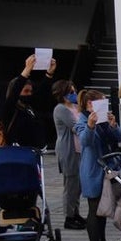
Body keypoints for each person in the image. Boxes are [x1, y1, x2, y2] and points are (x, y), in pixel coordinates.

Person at [74, 89, 121, 241]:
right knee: (95, 210)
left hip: (105, 169)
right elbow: (85, 142)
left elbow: (119, 138)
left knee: (102, 210)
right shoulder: (82, 121)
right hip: (92, 171)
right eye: (101, 103)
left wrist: (113, 125)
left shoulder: (102, 121)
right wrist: (90, 125)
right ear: (90, 105)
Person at [51, 80, 86, 231]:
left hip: (79, 149)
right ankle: (69, 216)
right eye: (70, 93)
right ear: (62, 94)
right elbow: (76, 126)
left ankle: (75, 213)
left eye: (74, 91)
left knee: (77, 185)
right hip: (68, 150)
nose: (74, 95)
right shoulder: (61, 109)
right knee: (70, 184)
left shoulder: (75, 107)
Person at [1, 54, 54, 149]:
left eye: (30, 91)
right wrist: (27, 69)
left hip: (34, 153)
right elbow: (15, 91)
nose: (29, 94)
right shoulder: (10, 108)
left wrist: (49, 74)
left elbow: (41, 92)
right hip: (17, 153)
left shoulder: (29, 107)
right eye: (26, 91)